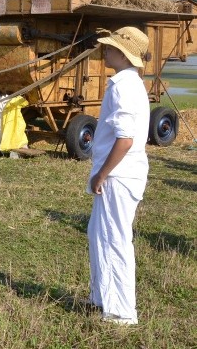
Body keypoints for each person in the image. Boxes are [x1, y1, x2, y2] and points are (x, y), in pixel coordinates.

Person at [86, 26, 150, 325]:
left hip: (118, 175)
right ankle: (102, 298)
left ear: (124, 54)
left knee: (114, 239)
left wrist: (102, 173)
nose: (106, 51)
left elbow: (125, 140)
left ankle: (121, 311)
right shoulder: (131, 82)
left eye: (110, 48)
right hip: (124, 174)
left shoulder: (123, 85)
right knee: (99, 234)